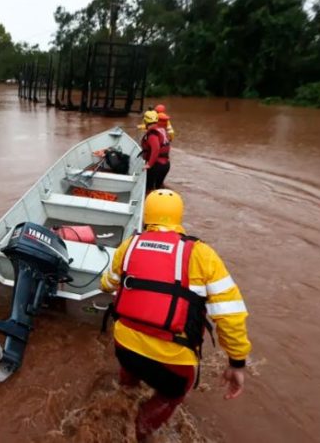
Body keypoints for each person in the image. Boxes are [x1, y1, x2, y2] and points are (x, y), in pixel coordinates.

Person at [101, 189, 251, 441]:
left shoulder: (129, 245)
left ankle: (124, 395)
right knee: (170, 395)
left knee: (130, 374)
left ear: (146, 215)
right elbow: (230, 315)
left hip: (125, 345)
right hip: (172, 360)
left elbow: (107, 284)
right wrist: (237, 362)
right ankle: (138, 432)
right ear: (179, 216)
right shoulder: (202, 254)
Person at [140, 110, 171, 193]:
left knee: (148, 190)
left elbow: (156, 149)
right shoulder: (162, 130)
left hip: (156, 166)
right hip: (165, 165)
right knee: (159, 189)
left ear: (146, 121)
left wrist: (149, 165)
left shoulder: (152, 134)